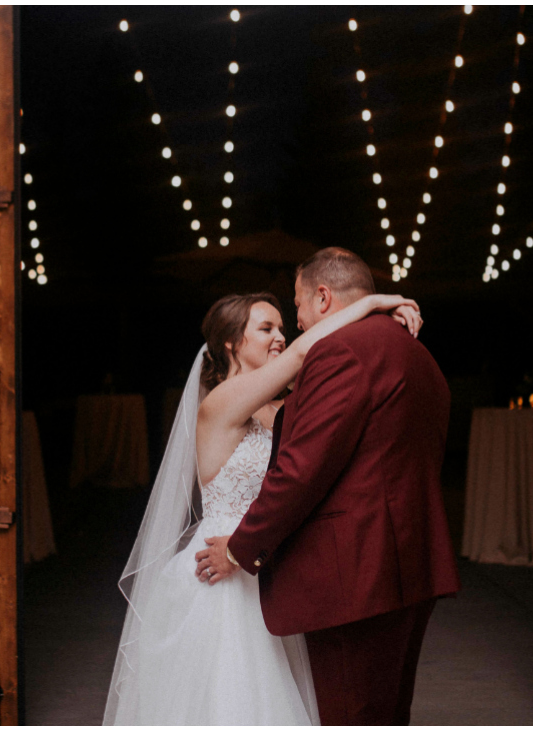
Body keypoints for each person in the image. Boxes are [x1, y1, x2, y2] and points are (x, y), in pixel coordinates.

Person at [103, 287, 422, 725]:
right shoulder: (220, 403)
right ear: (232, 343)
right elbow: (298, 357)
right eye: (266, 328)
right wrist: (370, 304)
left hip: (267, 567)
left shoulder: (277, 409)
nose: (280, 338)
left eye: (282, 327)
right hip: (219, 574)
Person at [195, 247, 461, 725]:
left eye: (294, 307)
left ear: (322, 298)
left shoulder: (338, 352)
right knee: (386, 712)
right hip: (409, 564)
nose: (293, 326)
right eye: (268, 327)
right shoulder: (417, 353)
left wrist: (239, 550)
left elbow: (300, 470)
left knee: (349, 714)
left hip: (353, 575)